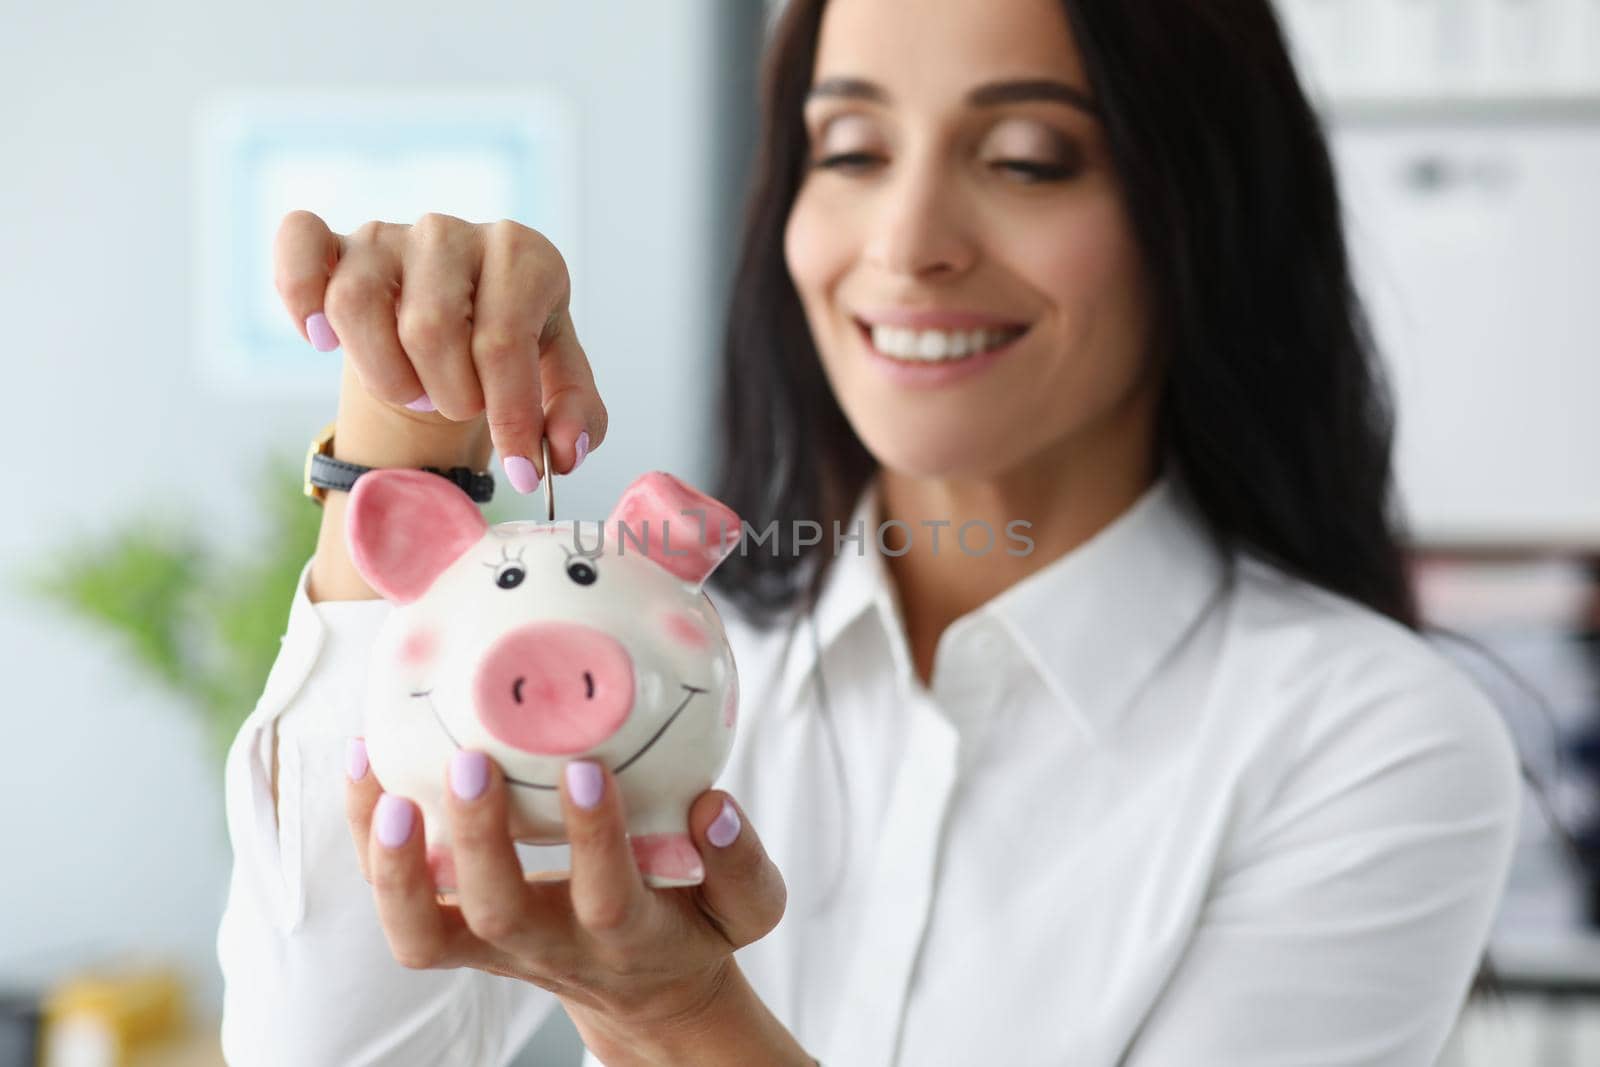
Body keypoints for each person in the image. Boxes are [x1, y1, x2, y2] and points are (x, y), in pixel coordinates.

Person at [217, 1, 1524, 1064]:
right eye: (848, 152)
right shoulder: (705, 650)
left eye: (1024, 159)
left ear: (1202, 212)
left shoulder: (1371, 742)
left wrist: (672, 1014)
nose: (906, 246)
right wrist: (400, 413)